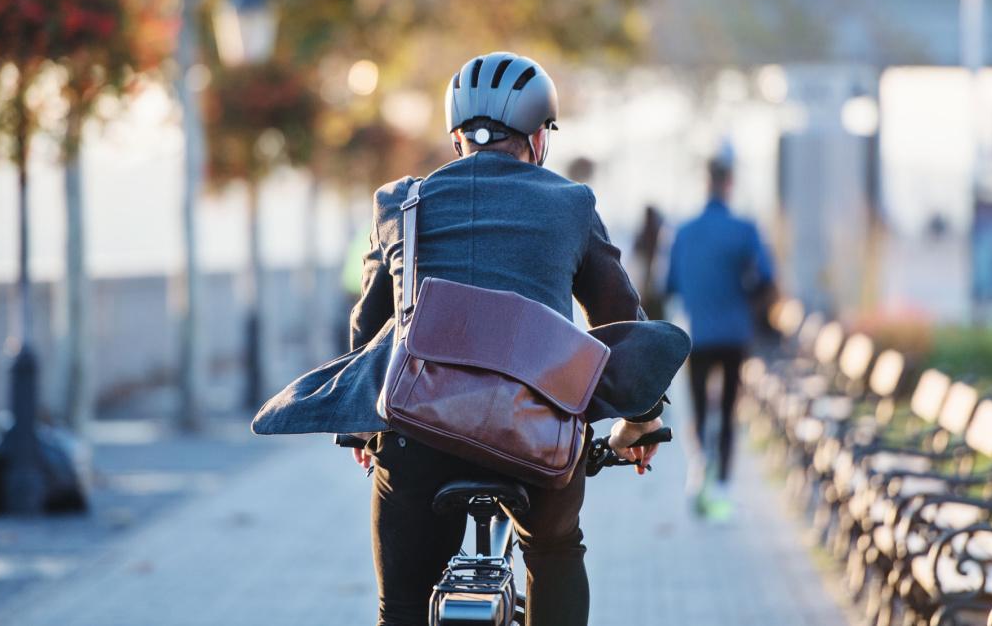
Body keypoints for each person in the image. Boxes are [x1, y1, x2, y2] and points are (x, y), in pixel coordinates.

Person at [251, 52, 689, 626]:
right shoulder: (571, 204)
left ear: (457, 138)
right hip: (539, 431)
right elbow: (619, 322)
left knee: (402, 607)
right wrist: (641, 421)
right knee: (555, 549)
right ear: (539, 139)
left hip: (417, 431)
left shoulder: (400, 202)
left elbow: (370, 328)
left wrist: (363, 424)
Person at [666, 154, 774, 522]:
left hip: (697, 335)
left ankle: (698, 472)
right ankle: (724, 486)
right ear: (729, 184)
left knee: (697, 408)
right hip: (734, 333)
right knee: (728, 411)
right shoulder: (745, 229)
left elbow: (671, 284)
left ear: (705, 182)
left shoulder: (684, 231)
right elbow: (765, 278)